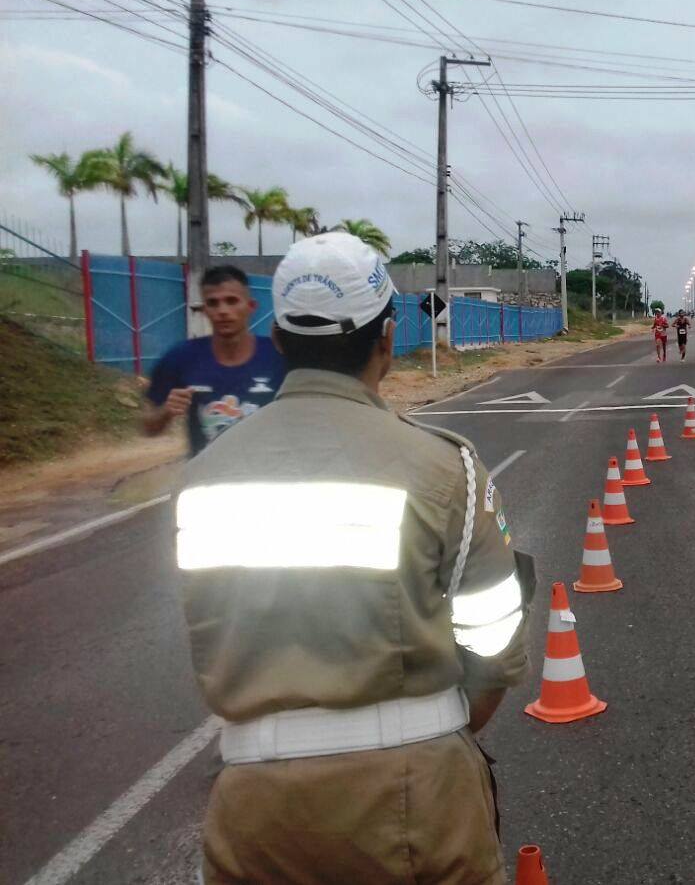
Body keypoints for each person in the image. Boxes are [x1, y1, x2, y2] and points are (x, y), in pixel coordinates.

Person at [176, 233, 532, 884]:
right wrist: (433, 731)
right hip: (415, 794)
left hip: (253, 808)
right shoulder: (445, 467)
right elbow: (495, 642)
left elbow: (211, 630)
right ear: (388, 340)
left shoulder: (204, 475)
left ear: (278, 340)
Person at [143, 265, 286, 457]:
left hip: (266, 477)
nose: (223, 311)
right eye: (213, 303)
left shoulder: (279, 357)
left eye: (231, 301)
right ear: (204, 310)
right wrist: (166, 411)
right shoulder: (180, 358)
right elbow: (148, 427)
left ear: (251, 306)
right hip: (204, 480)